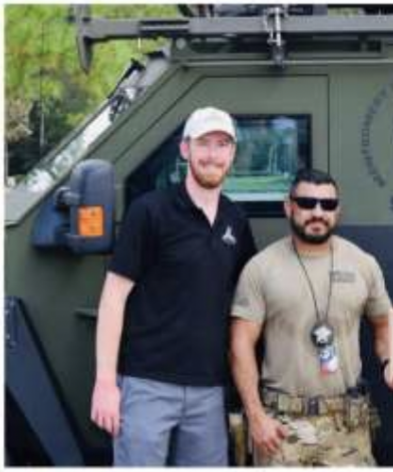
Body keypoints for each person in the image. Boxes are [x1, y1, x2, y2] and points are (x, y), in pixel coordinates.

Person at [89, 106, 257, 466]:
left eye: (222, 144)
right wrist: (105, 384)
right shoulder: (149, 211)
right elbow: (113, 298)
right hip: (146, 385)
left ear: (232, 154)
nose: (212, 154)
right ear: (185, 149)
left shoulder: (236, 221)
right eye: (204, 144)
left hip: (209, 390)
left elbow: (246, 306)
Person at [230, 168, 393, 466]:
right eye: (307, 203)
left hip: (347, 427)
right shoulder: (261, 268)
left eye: (328, 205)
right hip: (280, 428)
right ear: (288, 206)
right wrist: (255, 416)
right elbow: (240, 344)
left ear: (337, 210)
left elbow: (384, 327)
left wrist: (392, 363)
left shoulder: (363, 264)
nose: (317, 212)